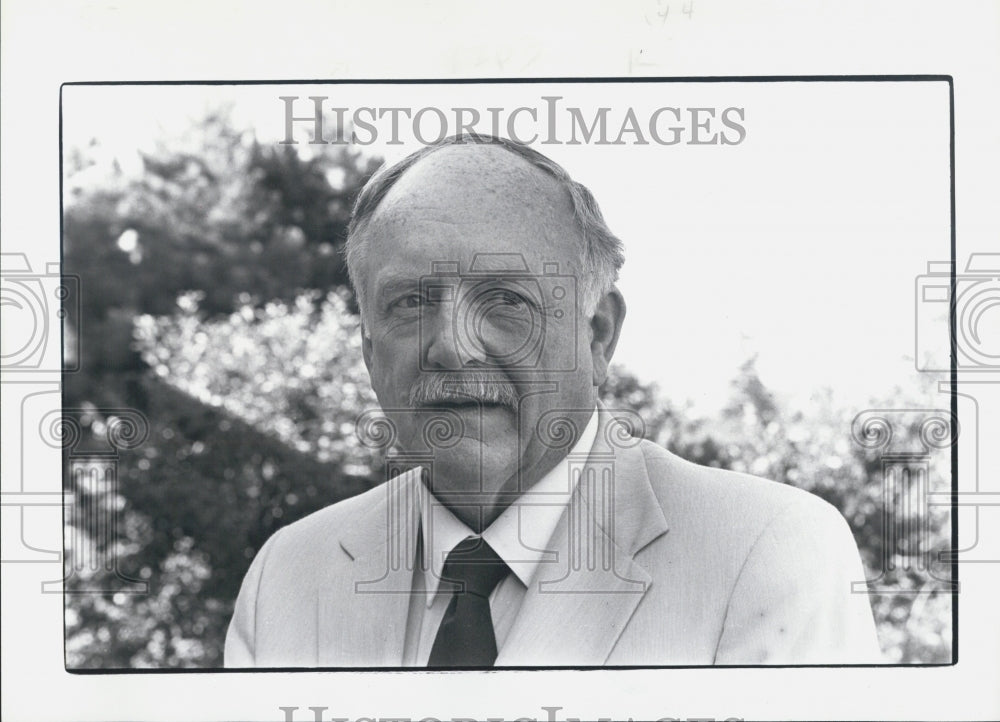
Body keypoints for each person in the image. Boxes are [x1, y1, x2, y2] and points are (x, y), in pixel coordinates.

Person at [224, 134, 882, 667]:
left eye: (505, 300)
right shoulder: (289, 578)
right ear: (370, 351)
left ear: (598, 335)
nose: (452, 347)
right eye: (410, 302)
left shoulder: (765, 551)